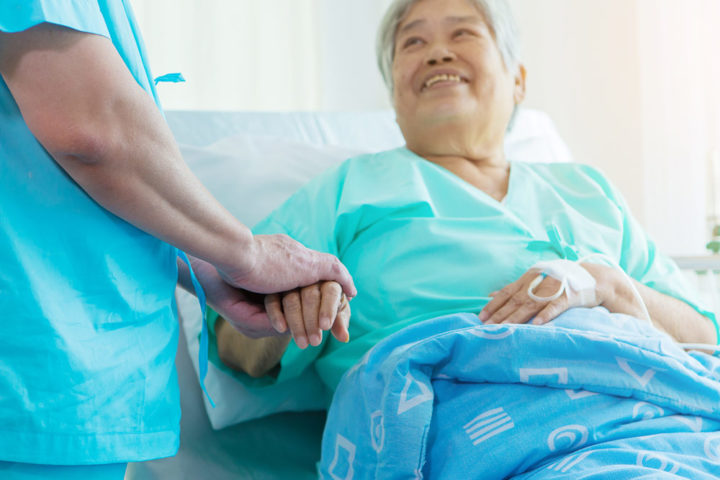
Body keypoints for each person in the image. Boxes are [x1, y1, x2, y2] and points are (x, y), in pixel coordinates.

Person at [211, 0, 718, 410]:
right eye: (413, 42)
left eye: (463, 34)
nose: (436, 54)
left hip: (647, 415)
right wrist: (288, 310)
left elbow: (704, 341)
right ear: (394, 92)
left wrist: (608, 284)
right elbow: (238, 351)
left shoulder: (588, 189)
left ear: (517, 79)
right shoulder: (346, 191)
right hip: (448, 426)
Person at [0, 1, 355, 477]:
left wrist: (206, 265)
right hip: (40, 381)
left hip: (61, 388)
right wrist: (245, 254)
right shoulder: (345, 190)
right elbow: (94, 131)